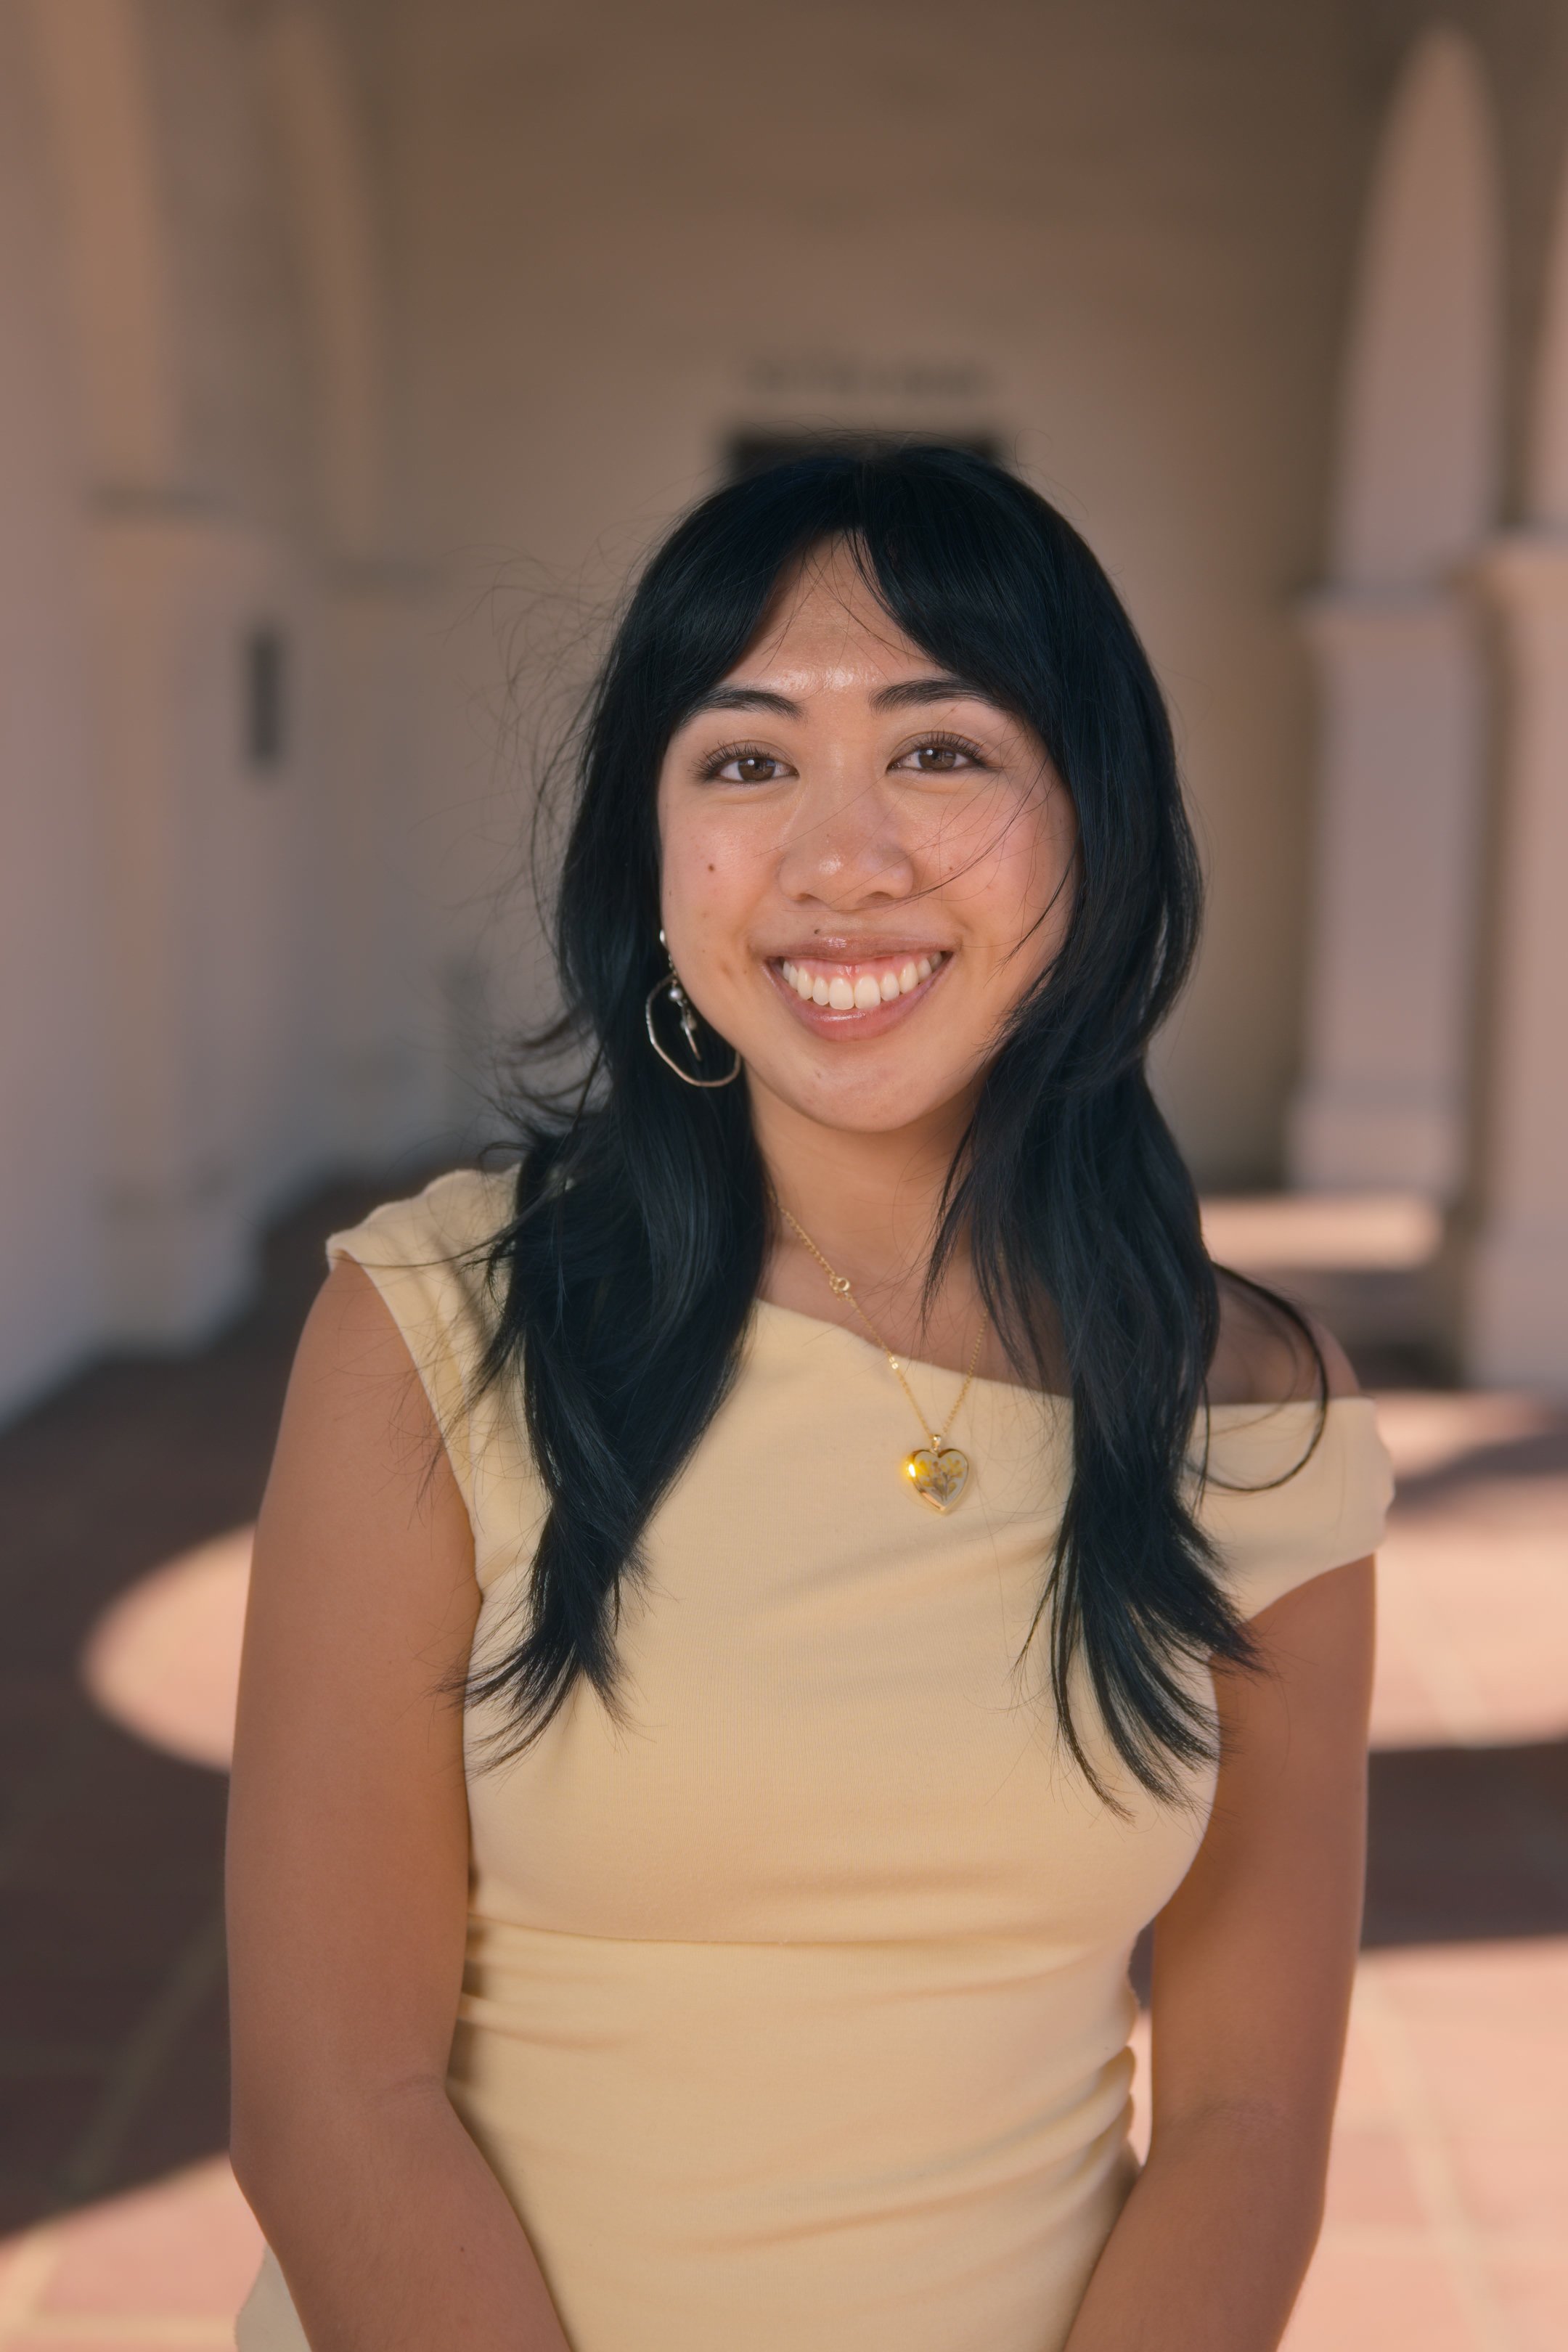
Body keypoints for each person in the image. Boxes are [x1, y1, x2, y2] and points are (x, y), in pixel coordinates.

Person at [226, 445, 1392, 2352]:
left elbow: (1249, 2120)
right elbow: (335, 2100)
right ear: (654, 863)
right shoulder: (439, 1326)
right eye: (748, 762)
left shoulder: (1247, 1415)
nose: (841, 863)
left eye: (941, 753)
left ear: (1094, 830)